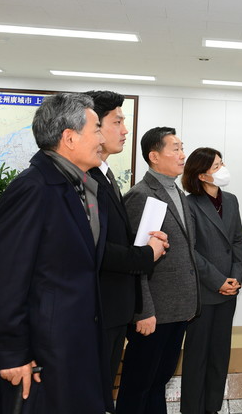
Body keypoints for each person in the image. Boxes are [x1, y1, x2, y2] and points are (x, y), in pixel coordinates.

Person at [0, 92, 113, 414]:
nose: (102, 139)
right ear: (69, 138)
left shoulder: (78, 187)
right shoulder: (32, 188)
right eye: (96, 130)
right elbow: (4, 279)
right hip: (42, 352)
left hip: (73, 342)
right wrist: (11, 352)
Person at [84, 90, 169, 390]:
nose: (125, 130)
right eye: (117, 122)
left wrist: (148, 243)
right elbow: (95, 248)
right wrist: (146, 254)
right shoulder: (85, 180)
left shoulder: (105, 175)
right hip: (99, 307)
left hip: (116, 308)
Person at [115, 127, 200, 414]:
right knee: (138, 384)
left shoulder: (177, 191)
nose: (183, 154)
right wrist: (143, 311)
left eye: (182, 147)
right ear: (154, 156)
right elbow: (135, 260)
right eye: (175, 149)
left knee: (158, 380)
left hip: (178, 308)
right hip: (154, 313)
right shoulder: (141, 195)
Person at [180, 148, 242, 414]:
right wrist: (218, 280)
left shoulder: (231, 200)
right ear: (202, 175)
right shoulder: (189, 204)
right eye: (217, 166)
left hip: (229, 290)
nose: (223, 169)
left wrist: (235, 278)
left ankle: (212, 407)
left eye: (222, 163)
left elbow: (238, 241)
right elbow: (190, 249)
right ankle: (192, 409)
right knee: (197, 355)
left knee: (220, 353)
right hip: (204, 291)